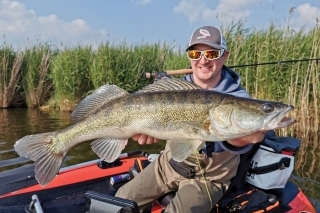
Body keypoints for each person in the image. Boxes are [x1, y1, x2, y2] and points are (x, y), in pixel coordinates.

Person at [115, 26, 267, 213]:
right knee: (119, 202)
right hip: (167, 166)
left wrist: (240, 140)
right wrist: (148, 132)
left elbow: (235, 140)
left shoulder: (238, 98)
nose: (203, 60)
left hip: (208, 180)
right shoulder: (173, 89)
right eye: (195, 53)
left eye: (211, 53)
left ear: (224, 56)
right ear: (190, 56)